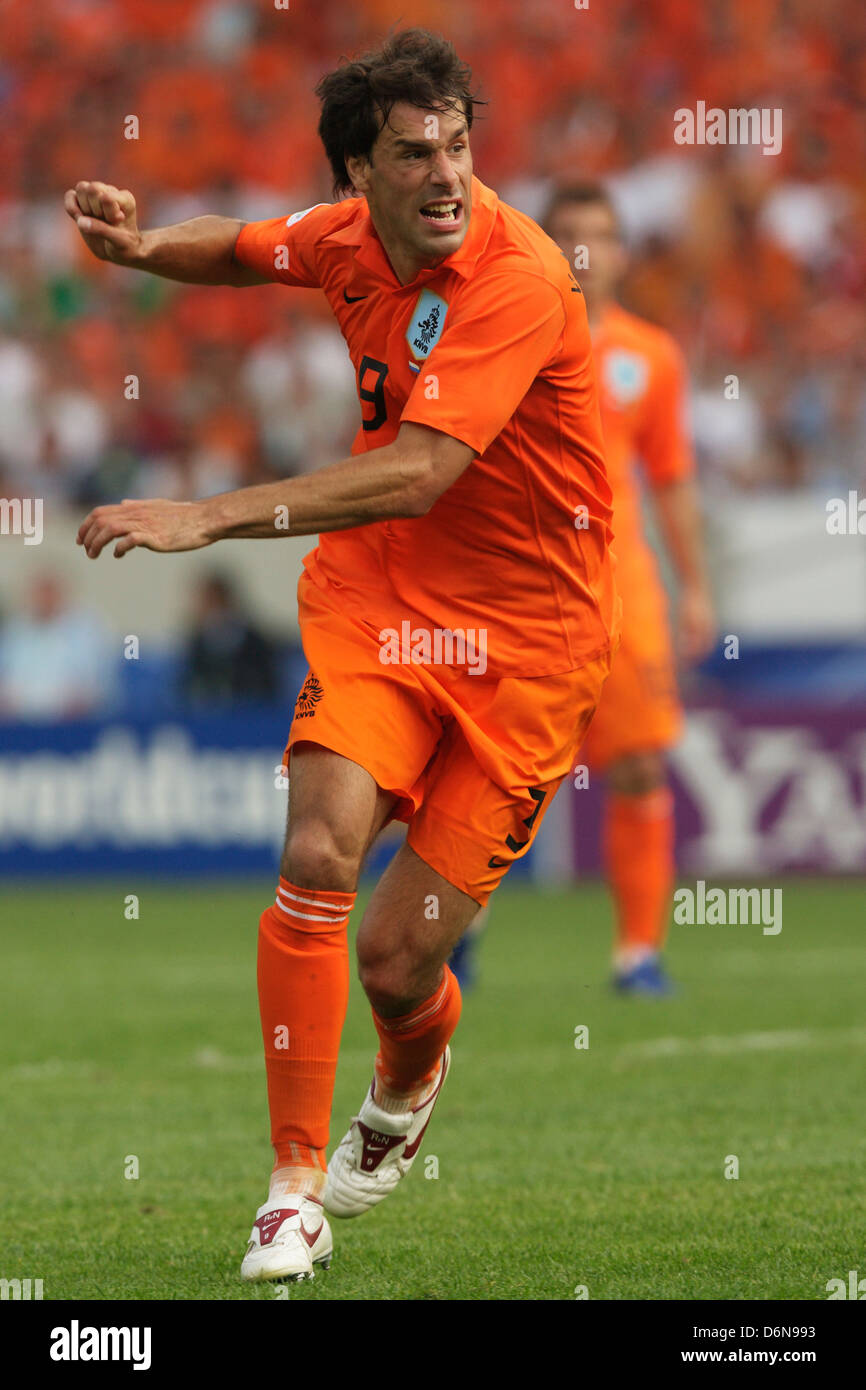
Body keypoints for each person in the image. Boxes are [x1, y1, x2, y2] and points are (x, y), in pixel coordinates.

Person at [67, 28, 619, 1283]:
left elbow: (423, 472)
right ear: (358, 174)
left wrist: (207, 513)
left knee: (397, 955)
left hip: (528, 647)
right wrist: (145, 247)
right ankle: (290, 1189)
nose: (445, 176)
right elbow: (248, 247)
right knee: (315, 846)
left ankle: (410, 1074)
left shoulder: (519, 277)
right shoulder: (345, 239)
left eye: (460, 147)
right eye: (414, 153)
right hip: (381, 606)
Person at [545, 182, 715, 995]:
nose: (586, 250)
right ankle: (453, 936)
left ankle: (638, 954)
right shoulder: (509, 337)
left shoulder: (653, 355)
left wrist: (699, 590)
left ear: (620, 251)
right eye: (569, 233)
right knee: (496, 772)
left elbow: (673, 480)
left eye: (600, 235)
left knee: (641, 763)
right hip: (527, 585)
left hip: (625, 587)